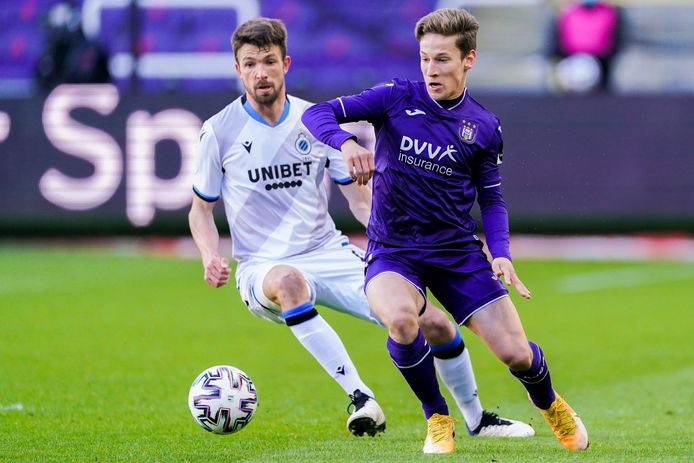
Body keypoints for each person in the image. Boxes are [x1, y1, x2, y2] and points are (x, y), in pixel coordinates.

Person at [189, 17, 534, 443]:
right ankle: (360, 397)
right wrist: (209, 256)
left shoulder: (310, 121)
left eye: (269, 62)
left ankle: (477, 419)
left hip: (327, 252)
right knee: (290, 283)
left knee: (434, 324)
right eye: (250, 64)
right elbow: (200, 210)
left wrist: (396, 246)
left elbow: (358, 199)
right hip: (262, 265)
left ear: (285, 64)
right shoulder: (219, 130)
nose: (261, 73)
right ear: (237, 70)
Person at [302, 8, 589, 454]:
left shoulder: (484, 126)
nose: (431, 69)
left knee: (516, 354)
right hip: (394, 249)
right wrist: (346, 141)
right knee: (401, 320)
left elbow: (491, 199)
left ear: (468, 59)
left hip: (456, 253)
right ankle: (437, 419)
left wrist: (501, 252)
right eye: (424, 59)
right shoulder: (395, 97)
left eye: (441, 59)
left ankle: (551, 404)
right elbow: (318, 113)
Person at [553, 0, 620, 93]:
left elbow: (613, 40)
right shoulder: (568, 12)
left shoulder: (609, 12)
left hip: (601, 60)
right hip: (571, 59)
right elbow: (560, 39)